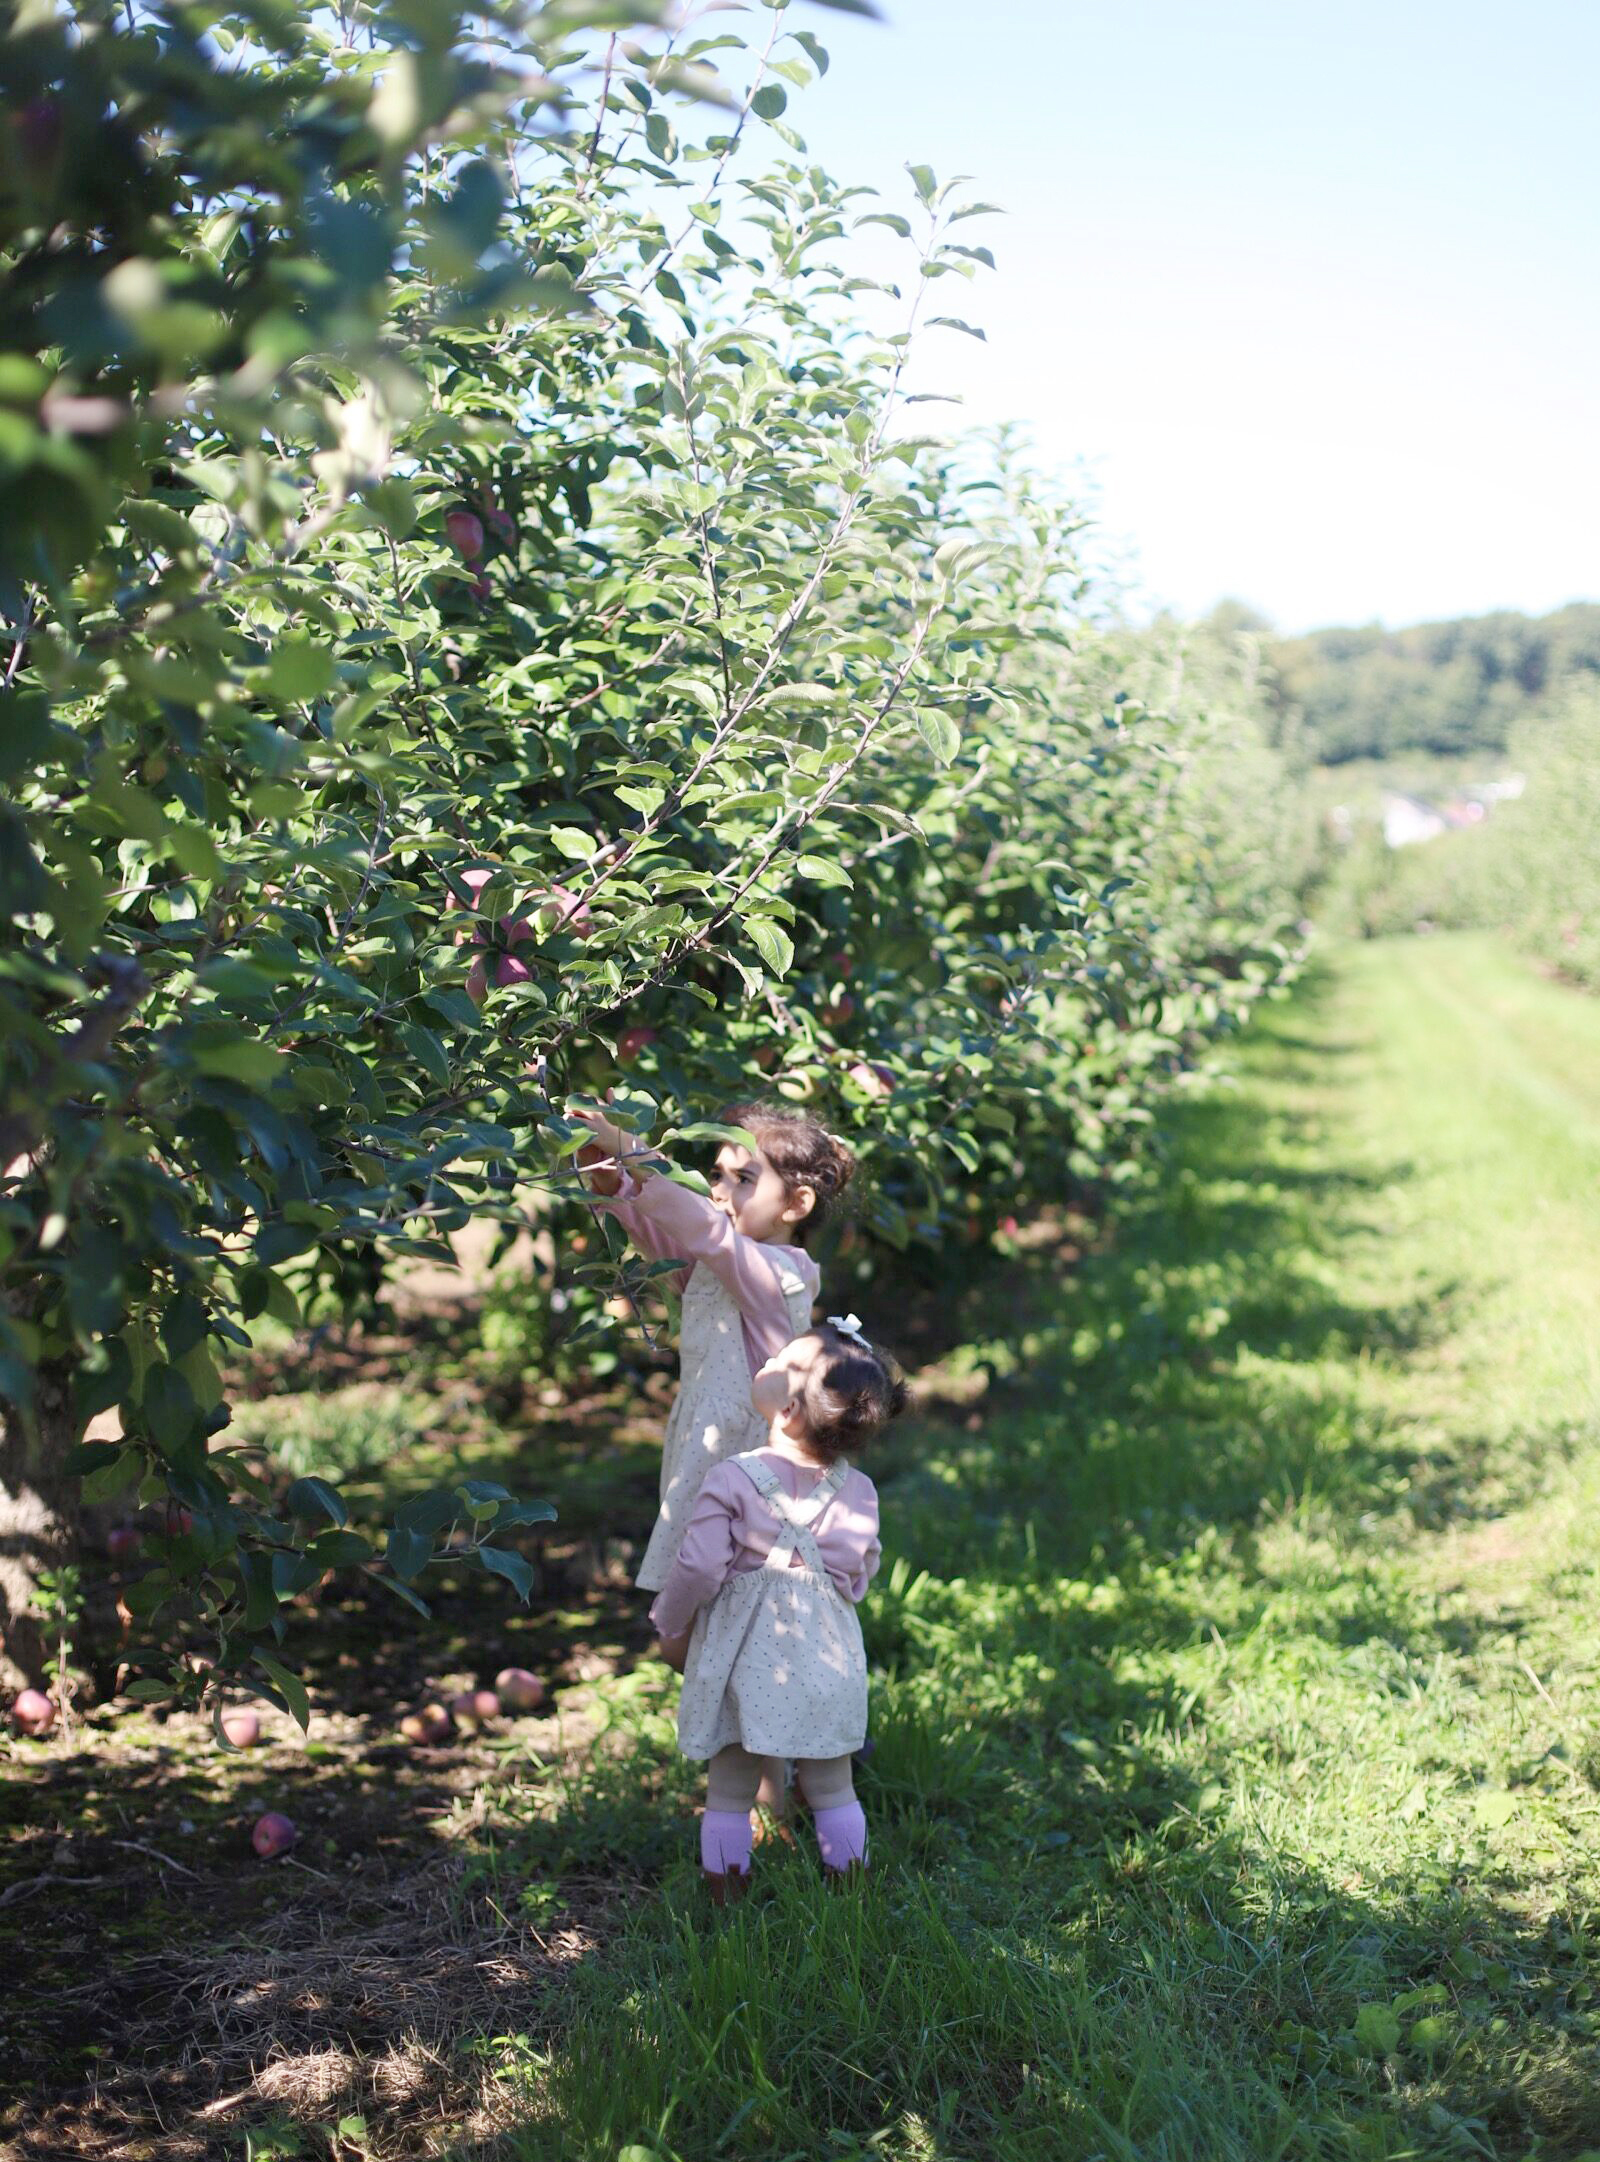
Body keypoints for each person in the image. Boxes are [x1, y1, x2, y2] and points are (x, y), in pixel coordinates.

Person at [645, 1318, 908, 1900]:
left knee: (731, 1784)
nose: (767, 1360)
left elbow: (698, 1566)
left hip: (746, 1658)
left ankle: (726, 1896)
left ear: (786, 1409)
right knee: (834, 1786)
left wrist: (671, 1620)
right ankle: (851, 1891)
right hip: (827, 1655)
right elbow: (862, 1568)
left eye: (782, 1361)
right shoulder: (858, 1491)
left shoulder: (734, 1478)